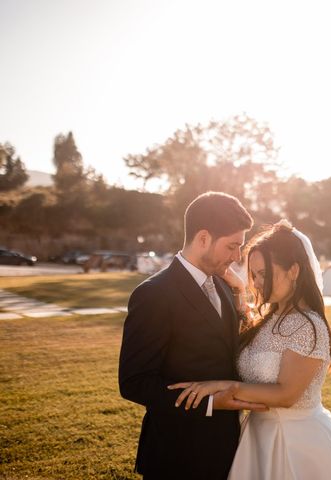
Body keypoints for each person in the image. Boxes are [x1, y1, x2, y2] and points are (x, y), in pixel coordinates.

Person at [169, 220, 331, 480]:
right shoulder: (267, 321)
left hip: (296, 444)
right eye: (254, 275)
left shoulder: (309, 326)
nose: (257, 283)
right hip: (257, 436)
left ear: (294, 271)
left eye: (265, 274)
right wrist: (238, 291)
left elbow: (286, 395)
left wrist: (225, 387)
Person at [118, 191, 266, 480]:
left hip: (226, 449)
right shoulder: (153, 294)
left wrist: (240, 294)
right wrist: (212, 402)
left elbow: (232, 349)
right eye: (232, 246)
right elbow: (134, 382)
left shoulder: (226, 286)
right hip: (176, 455)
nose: (238, 257)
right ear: (203, 238)